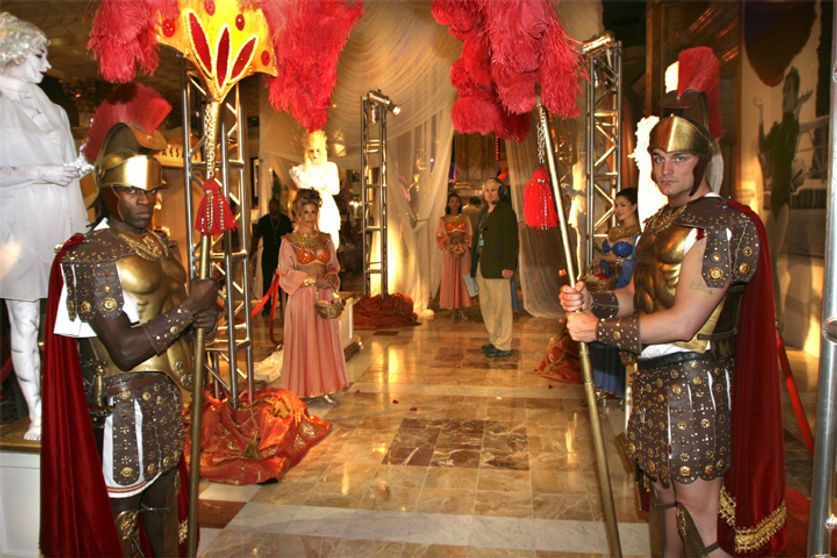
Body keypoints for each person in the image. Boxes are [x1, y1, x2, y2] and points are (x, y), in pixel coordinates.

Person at [560, 107, 785, 555]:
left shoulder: (722, 225)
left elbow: (685, 321)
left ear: (703, 160)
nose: (666, 170)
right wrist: (594, 301)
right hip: (650, 380)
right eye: (659, 158)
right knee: (663, 503)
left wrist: (599, 331)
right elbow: (634, 295)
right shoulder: (660, 222)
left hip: (694, 385)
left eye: (679, 158)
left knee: (698, 517)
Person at [43, 87, 220, 557]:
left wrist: (207, 312)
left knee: (166, 510)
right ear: (108, 190)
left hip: (166, 398)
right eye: (133, 191)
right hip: (122, 407)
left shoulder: (162, 246)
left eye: (152, 192)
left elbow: (186, 321)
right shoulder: (88, 257)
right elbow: (122, 348)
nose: (147, 202)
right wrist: (188, 309)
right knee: (121, 521)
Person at [0, 12, 89, 440]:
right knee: (24, 321)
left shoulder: (53, 108)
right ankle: (36, 411)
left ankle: (71, 402)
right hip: (16, 227)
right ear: (12, 55)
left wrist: (80, 167)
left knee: (70, 319)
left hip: (60, 221)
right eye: (37, 54)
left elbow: (67, 168)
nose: (45, 65)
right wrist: (39, 171)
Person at [278, 188, 349, 403]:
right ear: (298, 214)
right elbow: (285, 273)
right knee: (305, 342)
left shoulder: (325, 239)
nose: (310, 217)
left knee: (325, 342)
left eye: (313, 212)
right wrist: (312, 281)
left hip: (324, 296)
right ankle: (304, 389)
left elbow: (333, 265)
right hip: (302, 298)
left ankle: (325, 387)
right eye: (306, 212)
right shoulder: (289, 242)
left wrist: (331, 277)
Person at [756, 67, 811, 327]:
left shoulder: (790, 126)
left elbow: (789, 142)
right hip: (775, 201)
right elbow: (763, 145)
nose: (785, 94)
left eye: (789, 90)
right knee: (767, 260)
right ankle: (772, 316)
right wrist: (761, 115)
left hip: (783, 202)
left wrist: (796, 110)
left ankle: (776, 318)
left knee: (773, 259)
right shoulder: (781, 128)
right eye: (784, 90)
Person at [588, 187, 640, 397]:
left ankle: (620, 389)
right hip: (612, 289)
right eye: (616, 205)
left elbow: (638, 265)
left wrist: (619, 261)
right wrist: (603, 267)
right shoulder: (613, 233)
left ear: (634, 206)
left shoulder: (640, 235)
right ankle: (603, 384)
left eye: (623, 205)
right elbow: (606, 263)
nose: (618, 210)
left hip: (628, 289)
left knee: (619, 336)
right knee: (602, 334)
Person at [471, 178, 519, 358]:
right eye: (487, 190)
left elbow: (512, 241)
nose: (490, 193)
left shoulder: (506, 212)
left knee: (501, 307)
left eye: (493, 190)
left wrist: (509, 266)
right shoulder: (484, 212)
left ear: (500, 191)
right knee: (487, 306)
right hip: (482, 266)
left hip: (498, 267)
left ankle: (504, 344)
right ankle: (495, 339)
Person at [289, 130, 342, 249]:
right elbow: (303, 189)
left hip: (327, 211)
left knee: (331, 247)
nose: (315, 154)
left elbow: (335, 189)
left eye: (318, 150)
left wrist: (315, 183)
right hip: (309, 211)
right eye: (311, 150)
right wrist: (320, 184)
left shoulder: (330, 167)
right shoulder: (300, 171)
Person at [251, 198, 293, 314]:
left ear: (278, 206)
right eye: (271, 205)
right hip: (268, 254)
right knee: (267, 281)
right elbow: (256, 237)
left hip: (281, 254)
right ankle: (266, 307)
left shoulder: (285, 220)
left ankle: (285, 305)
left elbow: (291, 237)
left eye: (274, 205)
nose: (272, 207)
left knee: (282, 281)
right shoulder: (264, 221)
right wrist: (252, 251)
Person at [436, 192, 473, 320]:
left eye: (457, 201)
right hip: (449, 252)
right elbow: (439, 236)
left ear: (460, 203)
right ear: (448, 204)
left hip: (464, 252)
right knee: (450, 278)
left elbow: (470, 235)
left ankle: (462, 308)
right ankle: (453, 308)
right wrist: (450, 243)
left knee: (464, 278)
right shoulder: (443, 219)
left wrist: (463, 245)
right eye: (452, 201)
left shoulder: (465, 218)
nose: (454, 203)